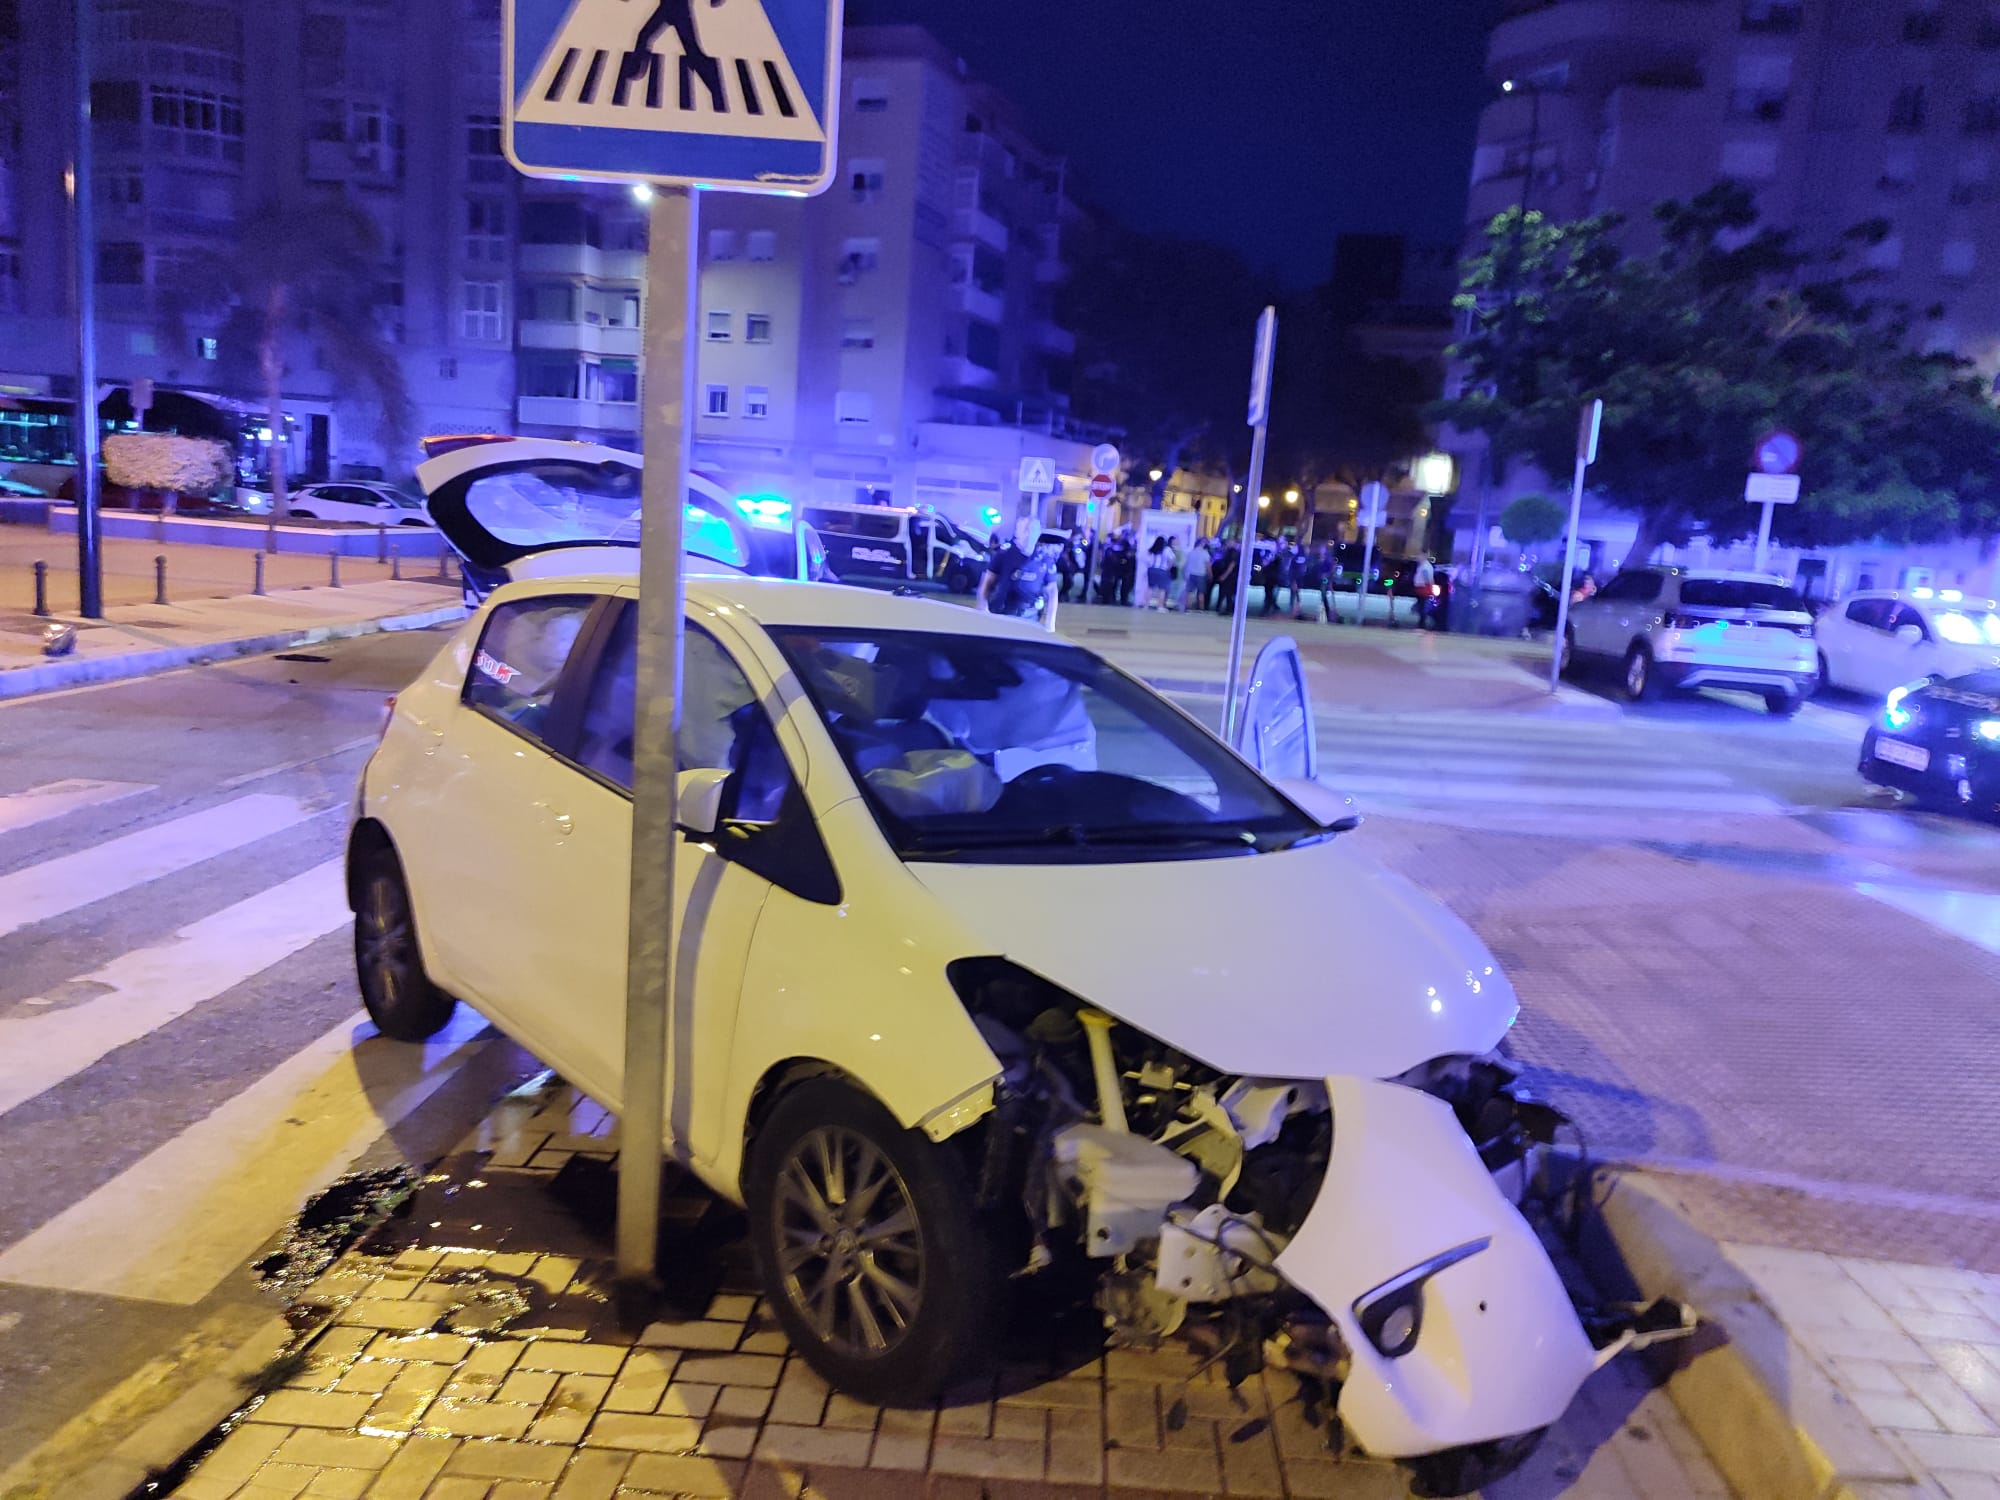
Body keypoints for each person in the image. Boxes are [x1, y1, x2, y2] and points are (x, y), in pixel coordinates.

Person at [975, 518, 1059, 627]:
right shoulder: (1003, 554)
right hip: (1002, 615)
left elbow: (1052, 592)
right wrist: (983, 609)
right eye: (1025, 530)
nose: (1029, 534)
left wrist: (1050, 624)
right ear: (1017, 533)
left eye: (1033, 530)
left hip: (1030, 617)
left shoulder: (1045, 558)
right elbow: (986, 584)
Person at [1180, 537, 1211, 612]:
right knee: (1201, 592)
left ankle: (1188, 607)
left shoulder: (1191, 552)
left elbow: (1186, 565)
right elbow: (1207, 565)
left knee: (1189, 592)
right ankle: (1201, 608)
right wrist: (1210, 574)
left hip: (1191, 574)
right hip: (1201, 574)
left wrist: (1185, 574)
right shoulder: (1205, 553)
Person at [1144, 535, 1174, 610]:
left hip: (1151, 570)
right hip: (1162, 570)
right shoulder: (1167, 549)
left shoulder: (1152, 549)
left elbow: (1147, 561)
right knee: (1162, 589)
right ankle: (1160, 606)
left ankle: (1146, 605)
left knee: (1150, 588)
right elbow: (1171, 560)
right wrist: (1168, 569)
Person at [1413, 553, 1437, 629]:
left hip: (1423, 588)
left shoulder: (1425, 566)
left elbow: (1426, 576)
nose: (1418, 558)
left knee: (1422, 606)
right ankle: (1421, 623)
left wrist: (1428, 584)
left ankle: (1422, 624)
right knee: (1422, 605)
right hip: (1422, 588)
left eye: (1419, 556)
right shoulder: (1424, 565)